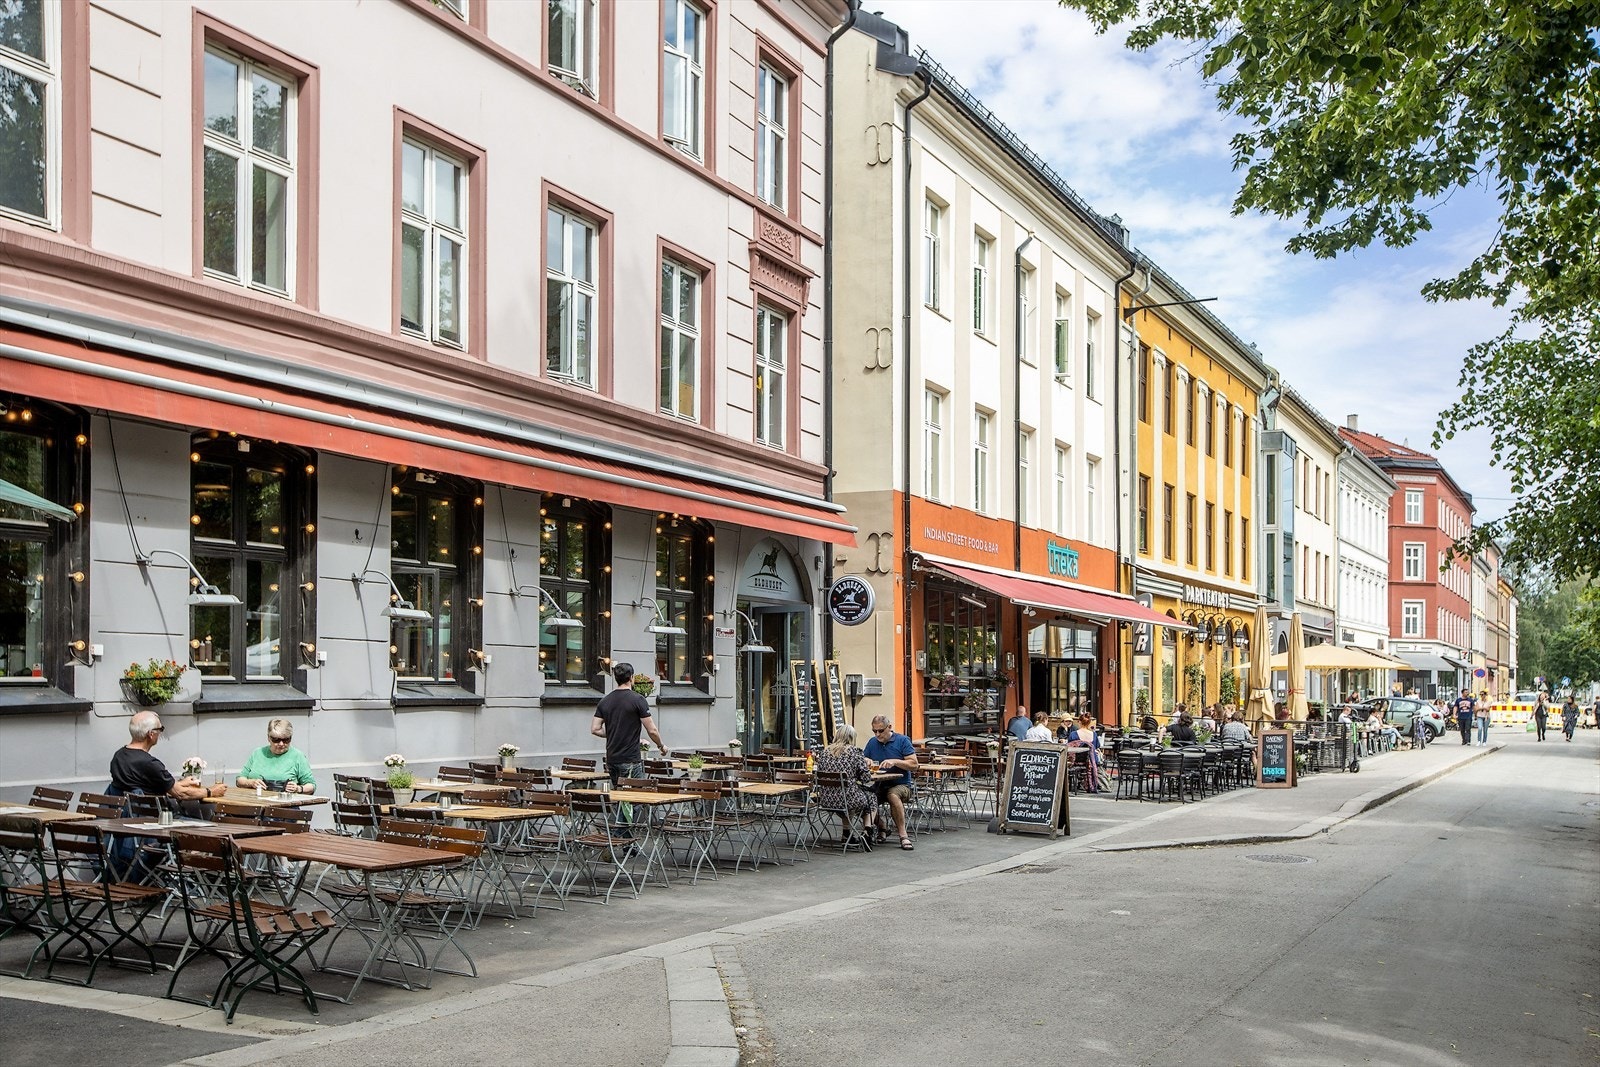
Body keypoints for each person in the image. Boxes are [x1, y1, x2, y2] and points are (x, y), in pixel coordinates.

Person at [110, 710, 227, 809]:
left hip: (130, 819)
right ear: (151, 734)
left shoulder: (118, 756)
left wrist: (179, 783)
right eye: (160, 729)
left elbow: (143, 785)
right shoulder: (149, 763)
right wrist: (211, 791)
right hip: (156, 822)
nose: (160, 733)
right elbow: (181, 794)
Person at [591, 662, 666, 785]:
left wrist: (613, 732)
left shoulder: (605, 701)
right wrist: (661, 745)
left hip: (612, 759)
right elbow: (652, 730)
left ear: (616, 678)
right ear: (631, 677)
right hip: (630, 759)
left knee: (619, 796)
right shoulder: (638, 700)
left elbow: (595, 729)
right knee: (636, 797)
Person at [813, 724, 878, 845]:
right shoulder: (855, 752)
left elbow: (819, 773)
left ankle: (846, 834)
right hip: (848, 799)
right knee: (871, 796)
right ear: (852, 737)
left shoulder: (824, 752)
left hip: (826, 799)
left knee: (849, 795)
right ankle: (867, 831)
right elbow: (866, 778)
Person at [863, 714, 918, 850]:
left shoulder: (903, 740)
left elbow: (914, 764)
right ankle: (882, 827)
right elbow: (863, 759)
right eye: (874, 731)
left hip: (901, 784)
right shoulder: (872, 742)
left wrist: (895, 761)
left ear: (889, 727)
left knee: (892, 795)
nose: (877, 734)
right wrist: (866, 761)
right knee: (862, 799)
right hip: (880, 784)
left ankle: (903, 835)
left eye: (880, 731)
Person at [236, 719, 316, 793]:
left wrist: (298, 788)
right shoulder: (257, 753)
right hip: (255, 802)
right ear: (268, 738)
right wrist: (251, 782)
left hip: (285, 804)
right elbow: (239, 780)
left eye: (286, 740)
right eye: (276, 740)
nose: (281, 744)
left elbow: (311, 785)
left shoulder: (298, 756)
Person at [1065, 713, 1103, 792]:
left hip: (1076, 759)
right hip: (1091, 761)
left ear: (1079, 722)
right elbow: (1096, 747)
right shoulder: (1094, 734)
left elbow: (1070, 747)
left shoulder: (1073, 734)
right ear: (1089, 723)